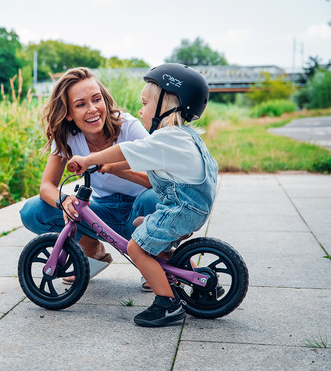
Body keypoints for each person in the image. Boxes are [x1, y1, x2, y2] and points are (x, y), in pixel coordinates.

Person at [68, 63, 219, 327]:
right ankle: (191, 277)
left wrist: (88, 159)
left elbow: (126, 151)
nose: (140, 110)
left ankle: (167, 303)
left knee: (135, 247)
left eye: (145, 103)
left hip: (182, 208)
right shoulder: (182, 136)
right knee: (141, 225)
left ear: (166, 106)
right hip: (187, 206)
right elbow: (133, 158)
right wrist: (109, 167)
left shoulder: (166, 139)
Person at [19, 67, 159, 283]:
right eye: (81, 104)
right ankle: (91, 249)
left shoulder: (129, 127)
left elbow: (157, 180)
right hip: (104, 213)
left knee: (153, 198)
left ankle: (154, 262)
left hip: (141, 210)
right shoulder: (68, 136)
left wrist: (113, 166)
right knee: (33, 211)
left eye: (96, 99)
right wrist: (64, 201)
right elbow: (46, 186)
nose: (93, 109)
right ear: (68, 113)